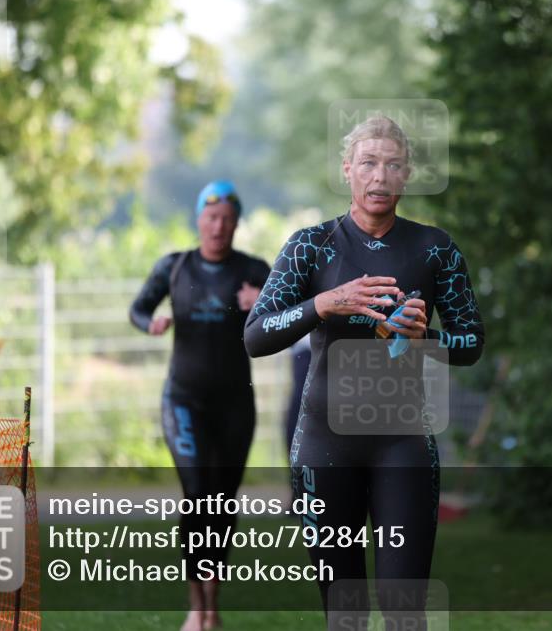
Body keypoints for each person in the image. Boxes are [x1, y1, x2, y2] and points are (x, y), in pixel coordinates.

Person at [243, 116, 484, 626]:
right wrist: (325, 304)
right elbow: (256, 335)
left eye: (393, 165)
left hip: (404, 442)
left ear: (406, 175)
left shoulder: (435, 249)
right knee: (344, 610)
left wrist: (426, 338)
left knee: (404, 609)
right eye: (369, 163)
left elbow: (472, 343)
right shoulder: (311, 245)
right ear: (348, 169)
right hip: (325, 441)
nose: (380, 176)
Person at [129, 180, 270, 631]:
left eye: (227, 219)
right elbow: (137, 308)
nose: (218, 226)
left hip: (234, 404)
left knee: (223, 502)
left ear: (236, 224)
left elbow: (292, 315)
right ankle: (196, 606)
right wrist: (151, 322)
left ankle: (214, 602)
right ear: (198, 220)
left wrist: (262, 303)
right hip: (183, 402)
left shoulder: (253, 270)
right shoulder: (175, 267)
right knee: (197, 495)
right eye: (211, 217)